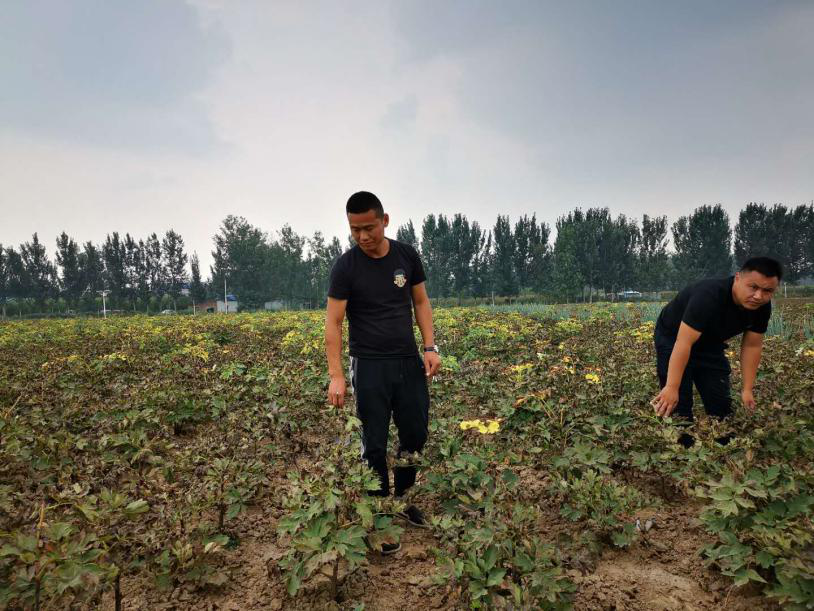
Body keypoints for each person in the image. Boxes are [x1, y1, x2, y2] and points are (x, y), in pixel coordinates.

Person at [325, 191, 442, 553]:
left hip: (408, 361)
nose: (362, 236)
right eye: (354, 229)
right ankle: (378, 513)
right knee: (373, 442)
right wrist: (337, 374)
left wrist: (430, 347)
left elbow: (420, 301)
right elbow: (334, 322)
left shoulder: (406, 256)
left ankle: (404, 499)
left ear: (385, 221)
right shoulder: (346, 267)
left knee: (415, 433)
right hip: (369, 365)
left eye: (369, 228)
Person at [651, 257, 782, 447]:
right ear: (737, 278)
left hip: (710, 343)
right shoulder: (708, 295)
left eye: (767, 291)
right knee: (678, 404)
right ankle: (681, 451)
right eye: (753, 287)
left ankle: (725, 450)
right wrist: (672, 386)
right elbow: (683, 343)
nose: (758, 296)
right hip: (674, 338)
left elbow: (752, 346)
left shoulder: (761, 308)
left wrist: (747, 389)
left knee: (720, 404)